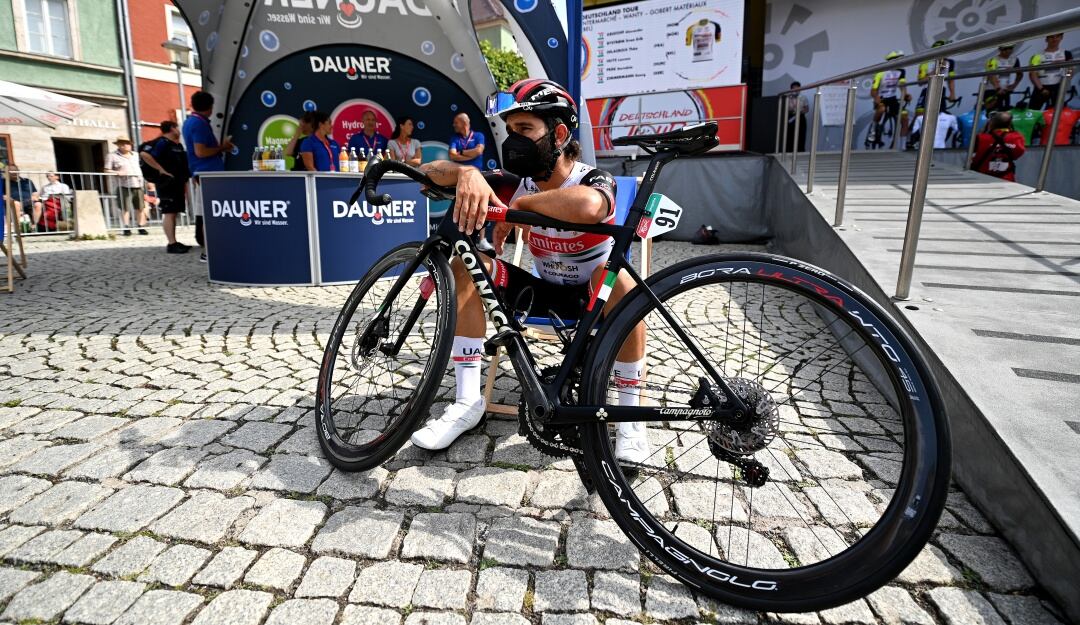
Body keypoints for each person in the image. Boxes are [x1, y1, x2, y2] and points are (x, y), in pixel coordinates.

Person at [408, 78, 650, 464]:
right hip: (542, 290)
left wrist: (521, 207)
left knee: (618, 276)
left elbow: (591, 207)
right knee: (465, 266)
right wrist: (466, 174)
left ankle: (630, 420)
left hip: (593, 297)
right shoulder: (514, 183)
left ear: (557, 134)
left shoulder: (590, 177)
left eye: (524, 129)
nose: (512, 140)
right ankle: (467, 402)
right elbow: (429, 173)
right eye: (509, 130)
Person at [183, 91, 234, 262]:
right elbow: (201, 151)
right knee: (212, 213)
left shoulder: (190, 122)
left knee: (210, 212)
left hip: (202, 172)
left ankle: (211, 250)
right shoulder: (199, 124)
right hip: (208, 173)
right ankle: (209, 251)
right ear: (210, 108)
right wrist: (222, 148)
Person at [142, 121, 193, 253]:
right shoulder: (162, 142)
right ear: (172, 129)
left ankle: (174, 241)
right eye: (177, 128)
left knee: (173, 212)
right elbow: (145, 154)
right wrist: (161, 170)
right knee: (169, 212)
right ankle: (171, 243)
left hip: (177, 182)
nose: (179, 130)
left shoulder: (177, 145)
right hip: (167, 183)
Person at [104, 137, 147, 236]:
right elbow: (106, 170)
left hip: (138, 183)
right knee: (125, 207)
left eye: (127, 143)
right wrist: (117, 172)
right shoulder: (112, 156)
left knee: (140, 207)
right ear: (118, 145)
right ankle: (126, 227)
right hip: (123, 185)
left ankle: (141, 226)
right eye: (122, 143)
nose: (125, 145)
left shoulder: (136, 155)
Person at [869, 51, 909, 148]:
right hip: (882, 98)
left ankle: (903, 145)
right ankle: (873, 130)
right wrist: (877, 98)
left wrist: (906, 95)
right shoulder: (880, 72)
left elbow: (902, 86)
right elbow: (873, 90)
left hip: (893, 99)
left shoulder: (901, 71)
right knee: (881, 109)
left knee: (904, 119)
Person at [970, 112, 1026, 182]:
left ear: (991, 123)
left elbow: (972, 158)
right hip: (1007, 180)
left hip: (981, 179)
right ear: (1010, 124)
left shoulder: (980, 138)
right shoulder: (1017, 137)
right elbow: (1017, 155)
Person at [1029, 33, 1074, 111]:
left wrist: (1066, 79)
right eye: (1052, 37)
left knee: (1058, 113)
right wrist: (1041, 89)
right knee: (1032, 111)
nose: (1054, 39)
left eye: (1057, 37)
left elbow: (1070, 69)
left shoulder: (1067, 54)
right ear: (1046, 39)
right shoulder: (1037, 55)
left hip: (1058, 87)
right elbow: (1032, 74)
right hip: (1041, 87)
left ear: (1061, 38)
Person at [986, 43, 1023, 111]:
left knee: (1005, 112)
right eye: (1005, 49)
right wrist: (997, 88)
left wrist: (1014, 85)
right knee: (992, 112)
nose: (1008, 51)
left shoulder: (1014, 59)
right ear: (1000, 49)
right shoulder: (992, 60)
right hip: (992, 90)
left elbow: (1020, 74)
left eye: (1010, 48)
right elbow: (991, 75)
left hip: (1005, 90)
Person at [785, 81, 809, 152]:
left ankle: (800, 151)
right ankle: (789, 150)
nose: (796, 90)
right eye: (794, 88)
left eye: (797, 88)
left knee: (801, 135)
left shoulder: (803, 97)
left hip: (800, 117)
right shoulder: (787, 97)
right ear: (791, 89)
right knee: (790, 135)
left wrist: (801, 111)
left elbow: (807, 109)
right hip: (790, 117)